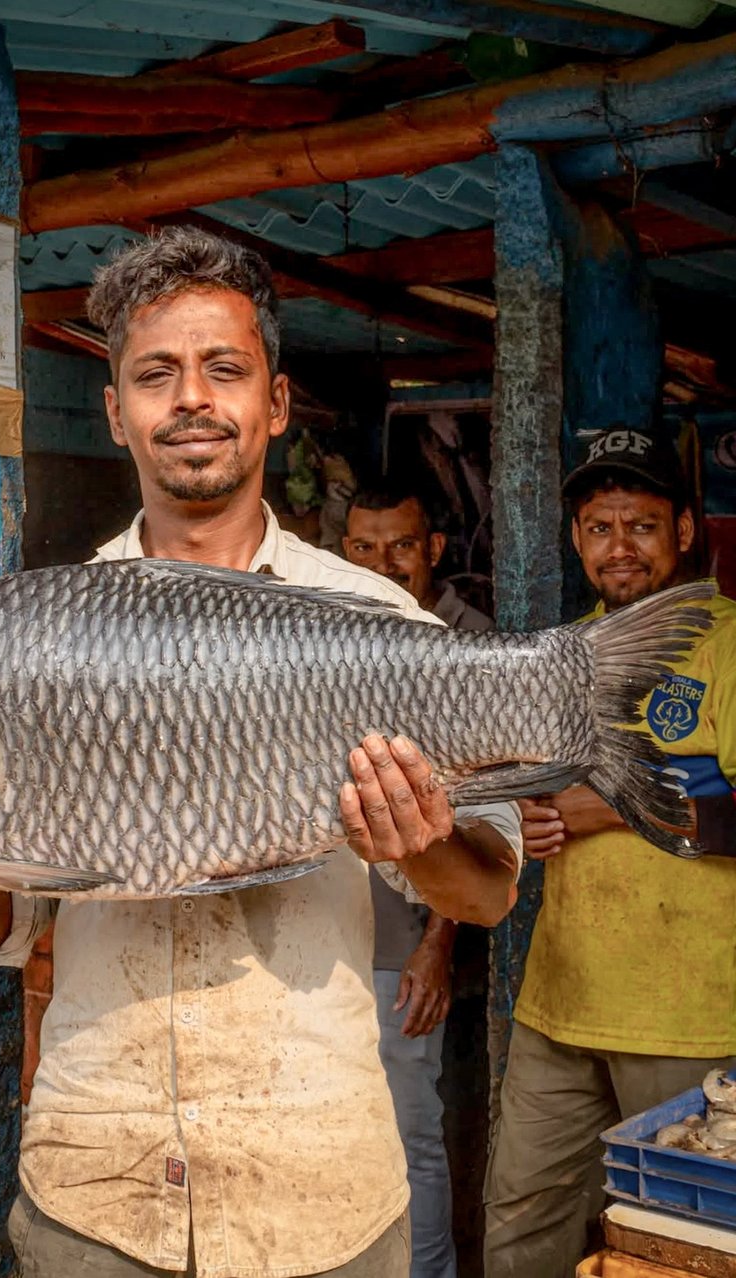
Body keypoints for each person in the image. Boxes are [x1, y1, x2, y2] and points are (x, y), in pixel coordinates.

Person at [0, 227, 522, 1278]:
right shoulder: (38, 635)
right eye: (156, 375)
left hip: (315, 1193)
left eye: (223, 369)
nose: (191, 399)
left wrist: (417, 846)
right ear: (115, 412)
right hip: (100, 1190)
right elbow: (9, 924)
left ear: (273, 404)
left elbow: (488, 895)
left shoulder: (375, 619)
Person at [484, 426, 736, 1278]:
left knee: (672, 1249)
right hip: (557, 1005)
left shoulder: (729, 643)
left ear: (687, 532)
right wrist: (532, 819)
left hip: (691, 1021)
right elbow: (521, 798)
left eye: (641, 525)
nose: (619, 547)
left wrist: (606, 809)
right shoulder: (561, 659)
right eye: (599, 527)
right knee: (522, 1225)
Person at [344, 486, 494, 1278]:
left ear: (433, 547)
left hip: (406, 940)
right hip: (335, 934)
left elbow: (479, 819)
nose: (382, 564)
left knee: (411, 1132)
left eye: (398, 545)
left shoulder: (466, 648)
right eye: (363, 549)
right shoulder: (333, 633)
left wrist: (439, 945)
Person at [344, 486, 493, 632]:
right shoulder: (335, 627)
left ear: (434, 549)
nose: (383, 567)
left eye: (402, 545)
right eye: (363, 548)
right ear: (348, 553)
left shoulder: (479, 636)